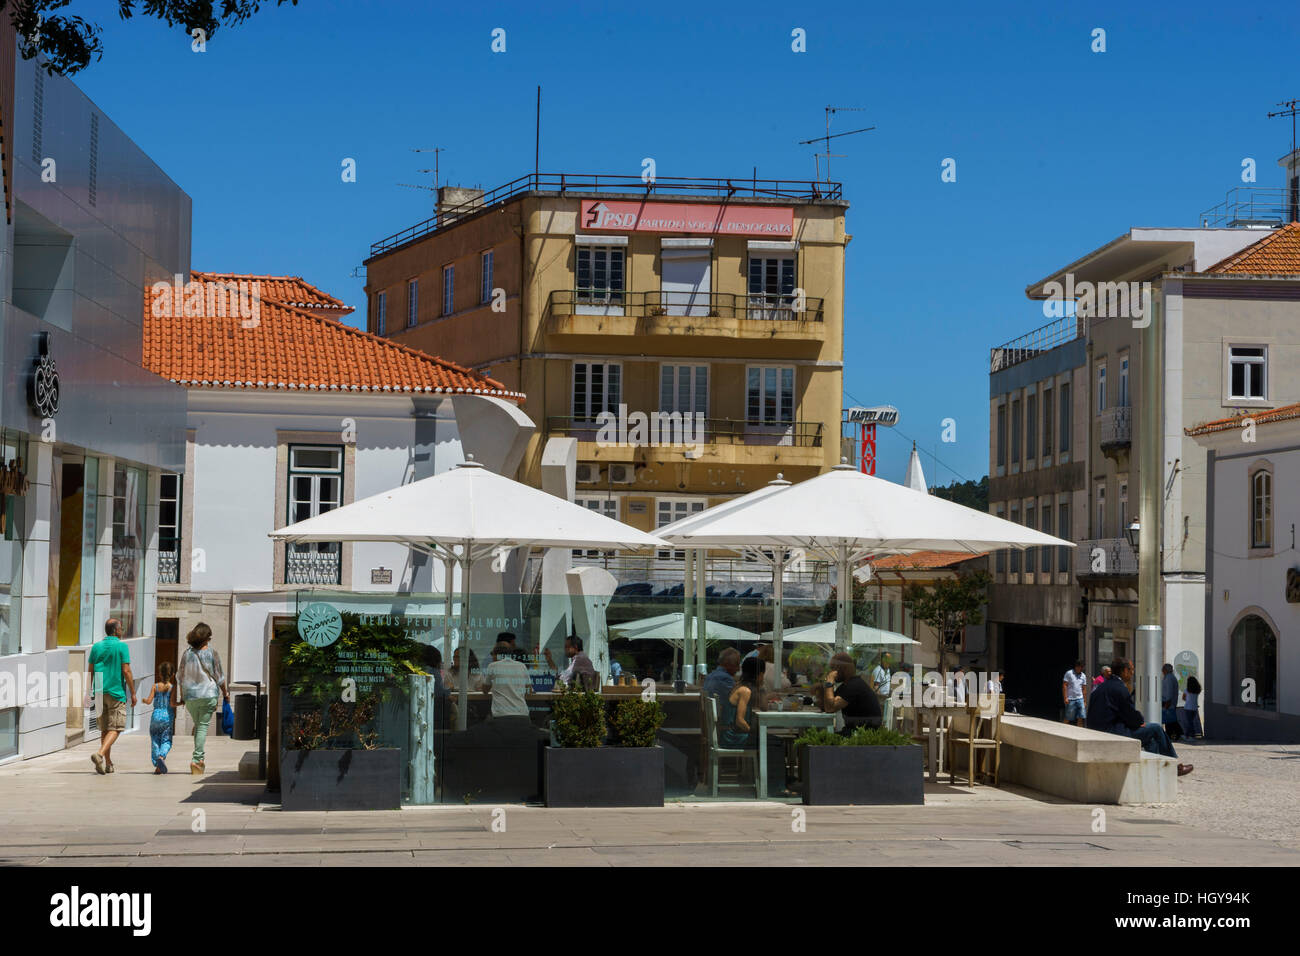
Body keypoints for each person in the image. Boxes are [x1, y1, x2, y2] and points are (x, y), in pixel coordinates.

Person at [1086, 657, 1192, 776]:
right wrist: (1139, 722)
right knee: (1156, 728)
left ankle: (1156, 771)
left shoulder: (1102, 687)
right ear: (1124, 671)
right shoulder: (1120, 688)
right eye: (1131, 670)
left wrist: (1135, 722)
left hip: (1098, 731)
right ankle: (1173, 767)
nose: (1132, 673)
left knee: (1151, 739)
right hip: (1113, 732)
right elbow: (1131, 715)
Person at [177, 623, 228, 775]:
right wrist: (225, 693)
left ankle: (198, 761)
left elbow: (180, 677)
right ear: (206, 638)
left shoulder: (187, 654)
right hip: (208, 694)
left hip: (191, 696)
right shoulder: (212, 653)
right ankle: (197, 759)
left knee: (199, 726)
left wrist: (182, 696)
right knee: (202, 727)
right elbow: (219, 676)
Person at [86, 618, 135, 774]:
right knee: (116, 729)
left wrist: (88, 692)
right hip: (115, 692)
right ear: (116, 630)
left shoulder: (96, 647)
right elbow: (126, 671)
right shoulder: (122, 646)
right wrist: (133, 692)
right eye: (121, 628)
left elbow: (90, 671)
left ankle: (107, 764)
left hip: (99, 691)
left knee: (105, 729)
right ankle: (99, 754)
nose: (122, 630)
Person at [821, 652, 882, 732]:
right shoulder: (849, 684)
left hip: (863, 736)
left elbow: (830, 708)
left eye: (833, 669)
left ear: (842, 669)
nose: (831, 672)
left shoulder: (854, 686)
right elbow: (826, 705)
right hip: (857, 731)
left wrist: (829, 683)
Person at [481, 641, 533, 720]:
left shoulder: (492, 666)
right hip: (522, 715)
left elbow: (485, 690)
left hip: (501, 715)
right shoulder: (522, 666)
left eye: (492, 654)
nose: (492, 657)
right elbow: (529, 691)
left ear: (497, 654)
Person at [142, 660, 177, 774]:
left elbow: (148, 701)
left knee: (155, 740)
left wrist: (144, 700)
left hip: (155, 717)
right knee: (166, 740)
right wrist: (181, 703)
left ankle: (157, 765)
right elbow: (172, 704)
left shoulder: (155, 686)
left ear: (160, 674)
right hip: (167, 717)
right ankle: (161, 757)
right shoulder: (172, 687)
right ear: (172, 674)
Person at [719, 657, 761, 748]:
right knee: (771, 742)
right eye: (762, 674)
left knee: (768, 740)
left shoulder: (737, 686)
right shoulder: (745, 691)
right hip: (732, 738)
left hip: (726, 735)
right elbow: (740, 721)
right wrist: (753, 732)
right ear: (758, 675)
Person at [1062, 660, 1088, 726]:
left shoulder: (1083, 676)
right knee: (1068, 718)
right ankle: (1061, 729)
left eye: (1083, 667)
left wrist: (1085, 701)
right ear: (1076, 667)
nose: (1082, 668)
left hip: (1080, 698)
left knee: (1081, 717)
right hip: (1071, 699)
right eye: (1080, 667)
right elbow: (1065, 685)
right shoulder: (1069, 673)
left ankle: (1080, 733)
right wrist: (1065, 698)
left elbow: (1084, 688)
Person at [1161, 663, 1182, 741]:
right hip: (1168, 702)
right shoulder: (1168, 677)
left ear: (1165, 670)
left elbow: (1169, 692)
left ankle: (1176, 734)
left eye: (1163, 669)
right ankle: (1173, 734)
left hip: (1168, 703)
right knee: (1170, 720)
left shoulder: (1169, 678)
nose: (1162, 670)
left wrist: (1167, 703)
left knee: (1170, 721)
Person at [1181, 675, 1204, 739]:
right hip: (1194, 708)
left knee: (1189, 722)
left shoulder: (1187, 690)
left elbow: (1183, 698)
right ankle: (1188, 735)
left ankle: (1190, 735)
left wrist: (1188, 700)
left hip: (1188, 707)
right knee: (1191, 722)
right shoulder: (1197, 690)